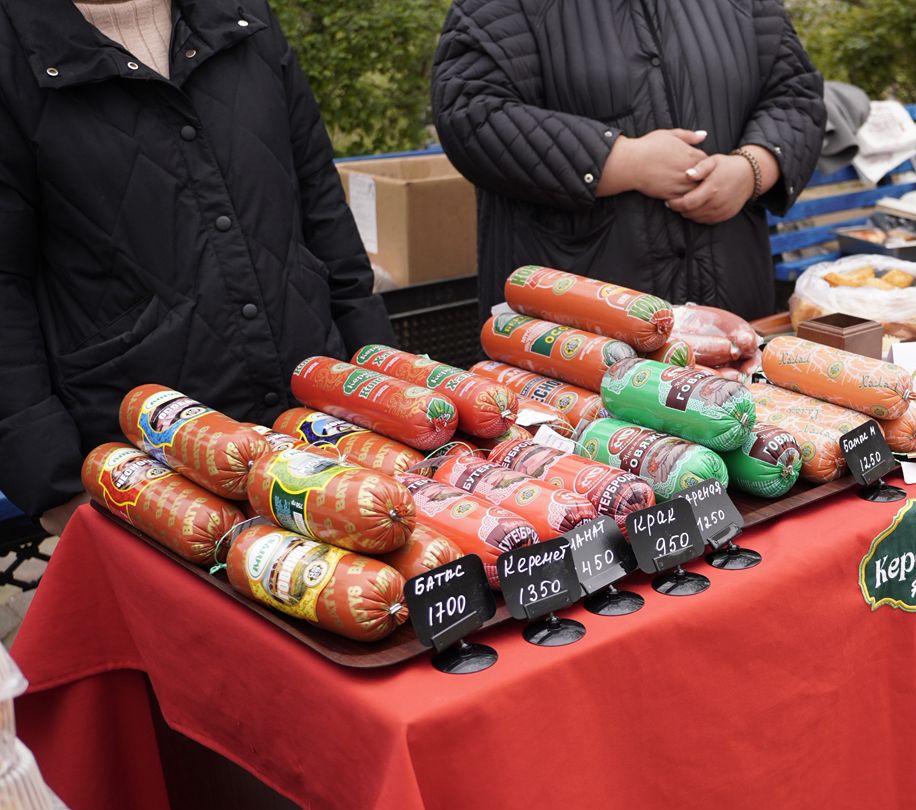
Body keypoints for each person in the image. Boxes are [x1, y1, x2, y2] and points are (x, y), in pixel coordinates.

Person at [0, 0, 393, 531]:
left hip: (318, 419)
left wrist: (378, 376)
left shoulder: (241, 14)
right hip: (152, 469)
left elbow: (320, 202)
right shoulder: (14, 54)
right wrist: (53, 479)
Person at [432, 0, 825, 321]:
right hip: (575, 335)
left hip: (732, 316)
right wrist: (624, 161)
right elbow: (471, 110)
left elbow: (795, 94)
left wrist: (753, 168)